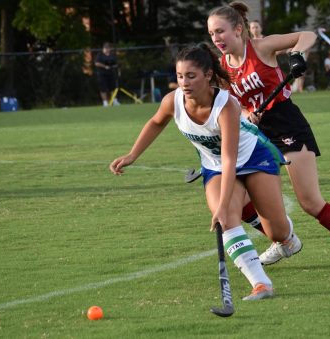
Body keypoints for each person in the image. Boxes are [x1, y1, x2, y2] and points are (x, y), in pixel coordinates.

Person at [109, 43, 302, 300]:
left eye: (191, 76)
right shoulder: (173, 101)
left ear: (208, 75)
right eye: (179, 76)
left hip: (253, 158)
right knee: (225, 219)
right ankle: (261, 284)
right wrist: (132, 154)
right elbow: (156, 122)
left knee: (276, 231)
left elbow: (230, 157)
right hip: (215, 166)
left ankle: (286, 235)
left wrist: (224, 203)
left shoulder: (226, 106)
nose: (184, 83)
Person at [207, 1, 330, 271]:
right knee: (235, 197)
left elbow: (306, 35)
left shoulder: (261, 47)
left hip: (286, 124)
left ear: (238, 29)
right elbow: (233, 105)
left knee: (310, 201)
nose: (216, 39)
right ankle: (284, 241)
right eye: (212, 34)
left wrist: (296, 54)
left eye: (220, 32)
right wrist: (245, 115)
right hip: (255, 134)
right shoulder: (222, 67)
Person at [95, 42, 120, 107]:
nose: (108, 50)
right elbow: (97, 63)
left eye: (109, 48)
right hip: (102, 74)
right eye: (107, 48)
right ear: (104, 48)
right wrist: (105, 66)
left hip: (111, 74)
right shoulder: (100, 55)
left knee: (113, 88)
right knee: (103, 89)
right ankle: (105, 102)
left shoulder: (112, 55)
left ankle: (114, 100)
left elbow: (116, 63)